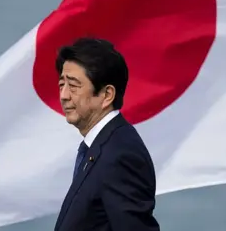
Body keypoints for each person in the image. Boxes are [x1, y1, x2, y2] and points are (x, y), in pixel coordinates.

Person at [53, 37, 160, 231]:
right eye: (62, 85)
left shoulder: (120, 154)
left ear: (106, 95)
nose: (64, 95)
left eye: (73, 86)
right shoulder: (99, 147)